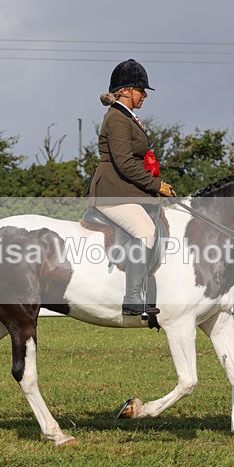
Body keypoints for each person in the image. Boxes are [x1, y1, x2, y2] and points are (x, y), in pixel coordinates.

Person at [86, 59, 177, 316]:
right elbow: (124, 163)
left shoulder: (127, 117)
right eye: (140, 89)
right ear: (124, 90)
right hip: (112, 192)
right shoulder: (116, 118)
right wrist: (156, 185)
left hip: (124, 190)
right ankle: (132, 298)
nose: (145, 95)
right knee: (145, 232)